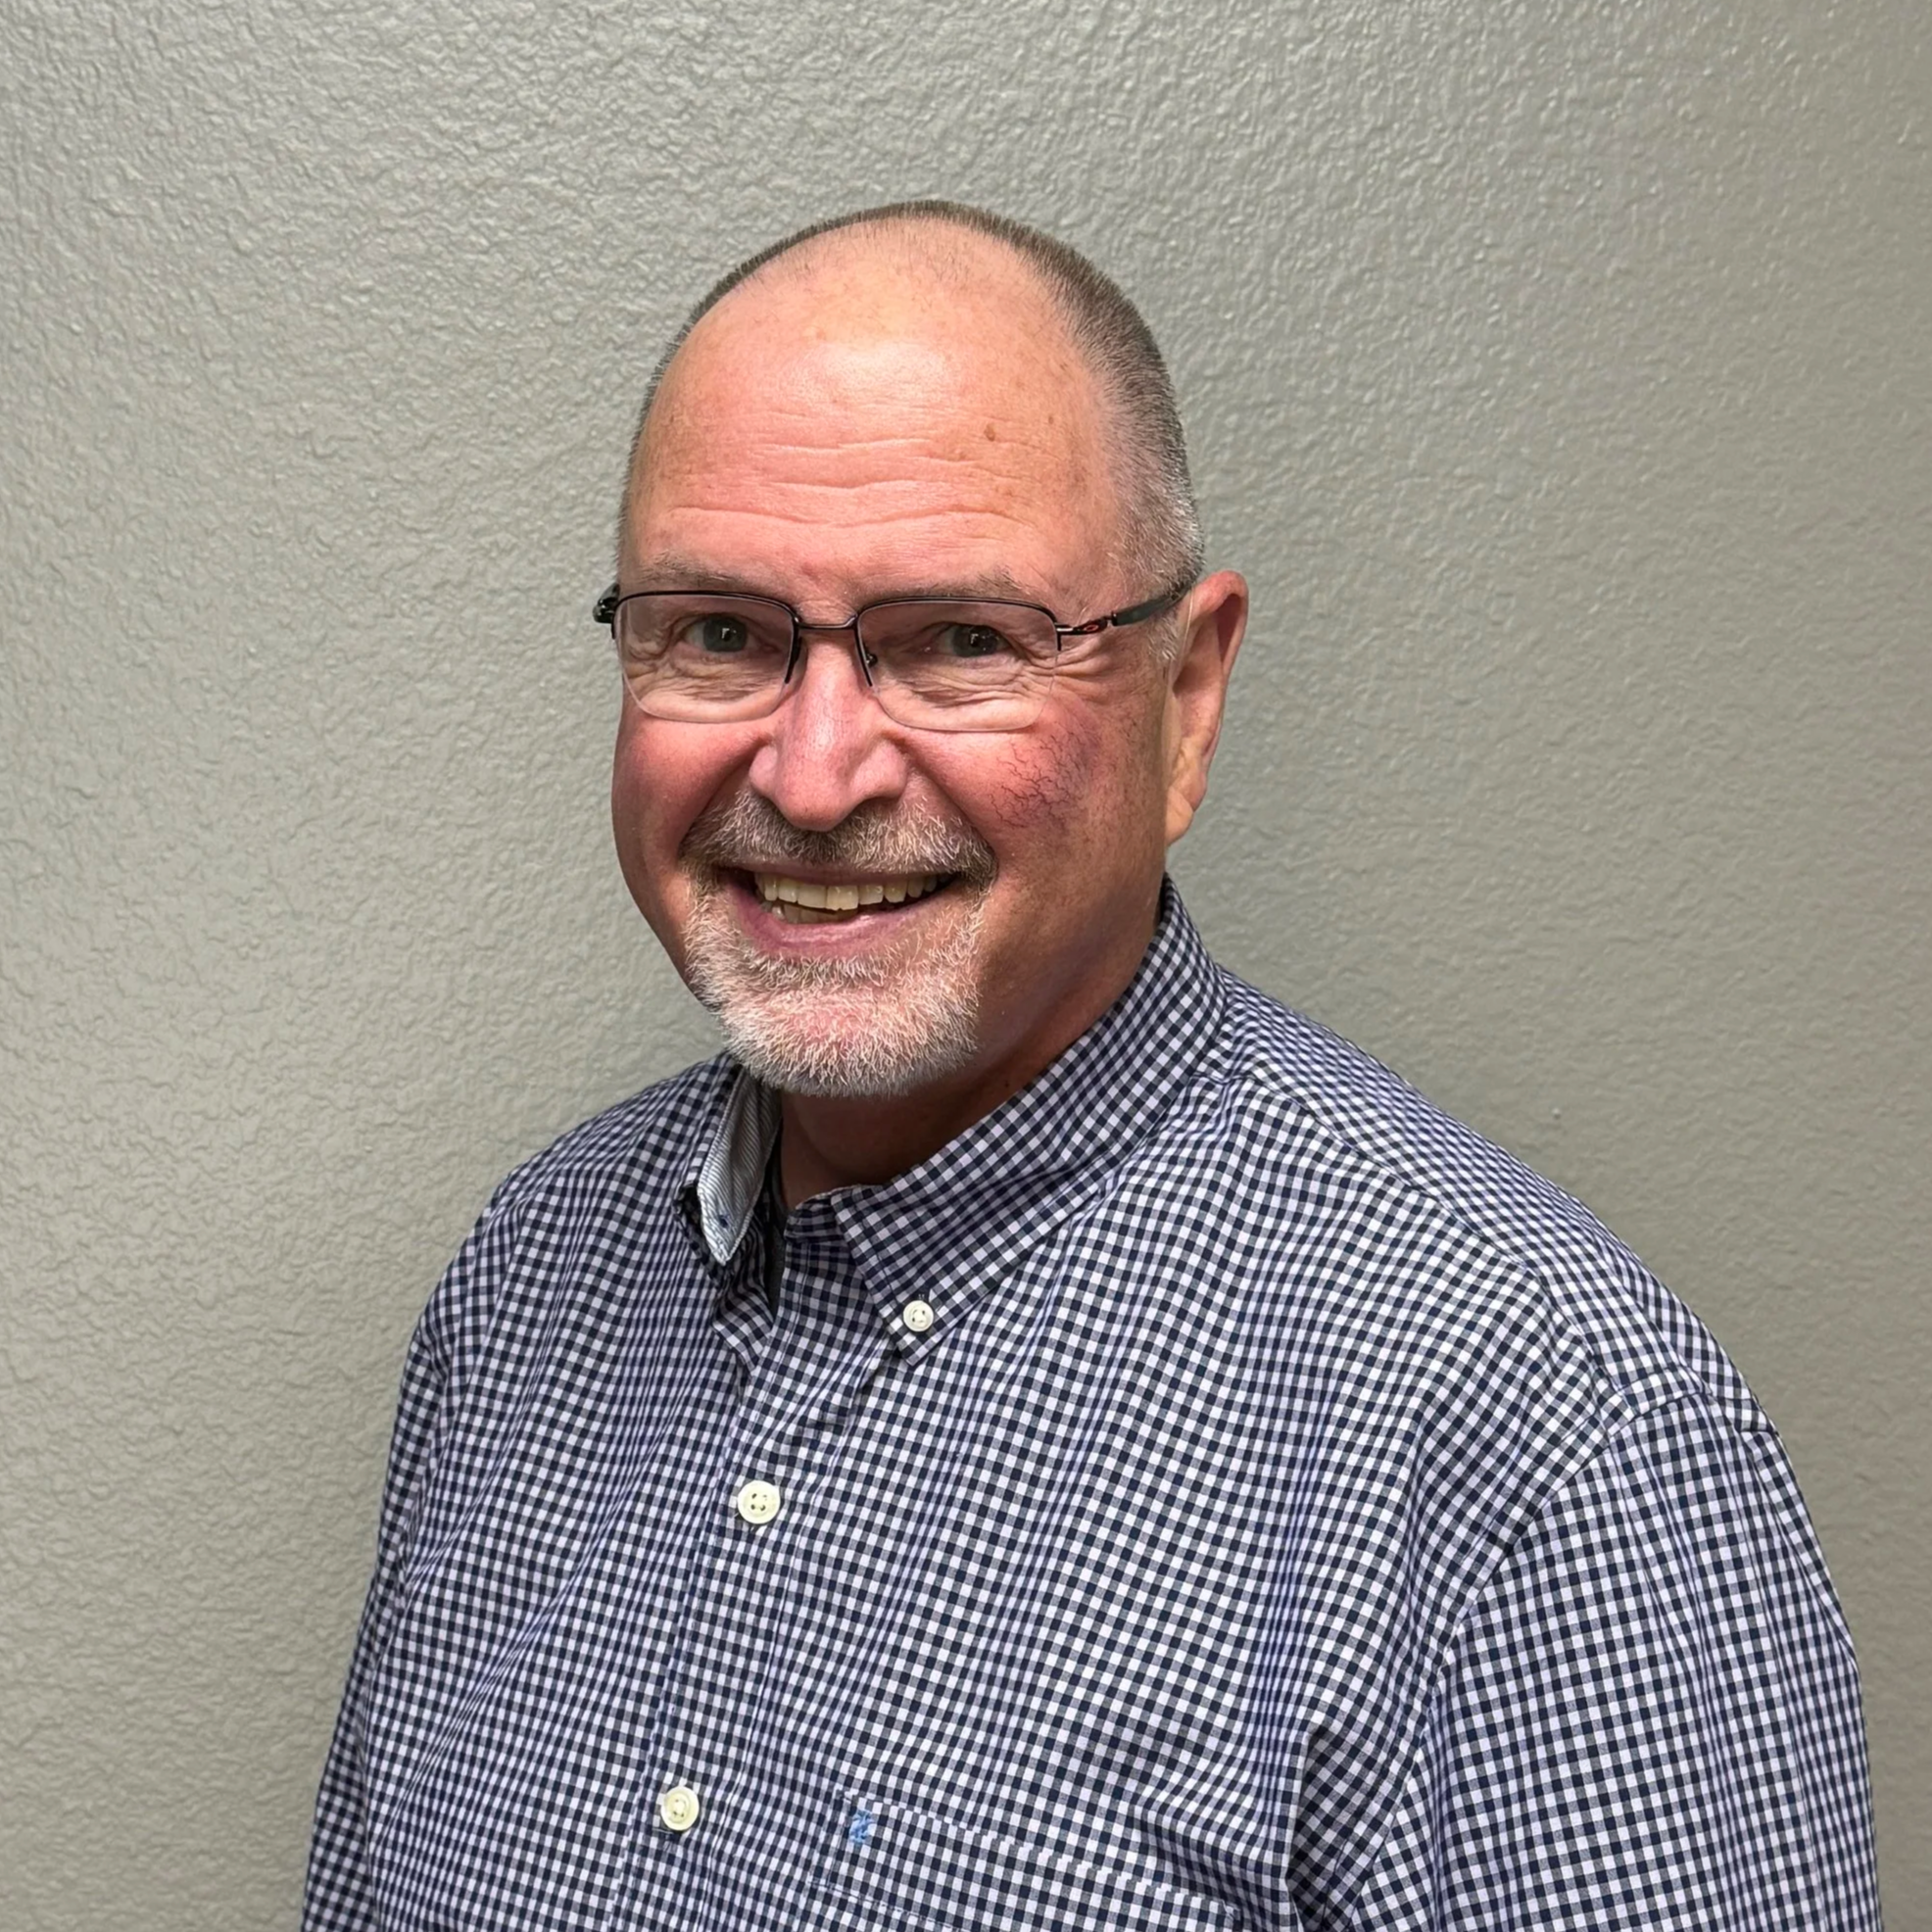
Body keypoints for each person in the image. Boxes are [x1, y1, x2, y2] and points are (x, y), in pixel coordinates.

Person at [303, 201, 1879, 1931]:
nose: (817, 775)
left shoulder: (1542, 1440)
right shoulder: (526, 1286)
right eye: (722, 635)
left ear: (1188, 700)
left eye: (965, 640)